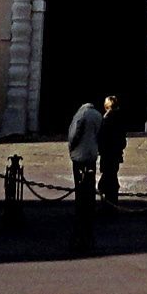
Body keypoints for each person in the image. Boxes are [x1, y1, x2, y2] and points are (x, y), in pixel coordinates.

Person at [66, 97, 103, 252]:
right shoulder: (98, 115)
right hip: (92, 153)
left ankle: (82, 205)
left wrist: (71, 146)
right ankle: (90, 203)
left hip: (79, 154)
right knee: (90, 180)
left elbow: (74, 134)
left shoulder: (80, 115)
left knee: (80, 183)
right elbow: (101, 134)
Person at [97, 94, 128, 210]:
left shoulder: (106, 119)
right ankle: (111, 202)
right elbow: (122, 139)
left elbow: (102, 138)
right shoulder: (119, 119)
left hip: (108, 153)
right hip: (116, 153)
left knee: (107, 178)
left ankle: (108, 204)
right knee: (112, 176)